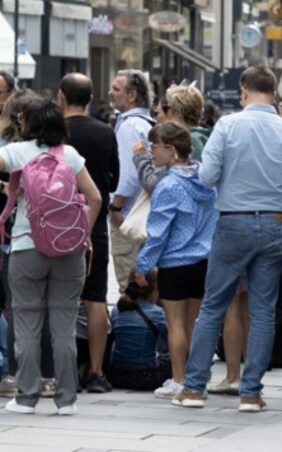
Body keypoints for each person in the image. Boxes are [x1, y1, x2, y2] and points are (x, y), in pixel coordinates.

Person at [173, 66, 282, 413]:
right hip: (276, 222)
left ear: (244, 90)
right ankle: (251, 391)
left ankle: (194, 387)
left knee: (214, 304)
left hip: (234, 221)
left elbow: (207, 174)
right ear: (273, 93)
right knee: (262, 311)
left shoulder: (228, 126)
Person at [2, 98, 102, 415]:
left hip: (26, 248)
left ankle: (27, 396)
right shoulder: (69, 155)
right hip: (68, 250)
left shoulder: (15, 153)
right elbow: (95, 196)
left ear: (28, 123)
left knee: (28, 323)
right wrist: (83, 233)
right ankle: (66, 400)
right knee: (64, 326)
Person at [133, 122, 217, 399]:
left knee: (176, 324)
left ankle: (179, 378)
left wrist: (143, 264)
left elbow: (157, 233)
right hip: (203, 260)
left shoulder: (168, 185)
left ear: (170, 149)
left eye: (154, 146)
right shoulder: (205, 180)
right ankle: (195, 379)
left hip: (175, 262)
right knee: (194, 323)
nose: (151, 152)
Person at [59, 73, 120, 394]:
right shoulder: (105, 132)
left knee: (61, 299)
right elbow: (112, 180)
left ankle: (62, 369)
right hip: (94, 227)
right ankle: (96, 372)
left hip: (56, 227)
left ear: (61, 96)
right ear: (91, 98)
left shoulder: (55, 134)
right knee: (95, 298)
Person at [108, 69, 154, 292]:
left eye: (116, 89)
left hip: (128, 217)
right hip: (140, 215)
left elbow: (128, 175)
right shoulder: (144, 123)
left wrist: (116, 207)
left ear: (132, 95)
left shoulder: (130, 126)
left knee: (130, 289)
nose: (110, 93)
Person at [107, 270, 171, 391]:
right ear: (155, 288)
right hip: (146, 376)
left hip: (116, 375)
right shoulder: (157, 313)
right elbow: (172, 342)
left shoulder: (116, 310)